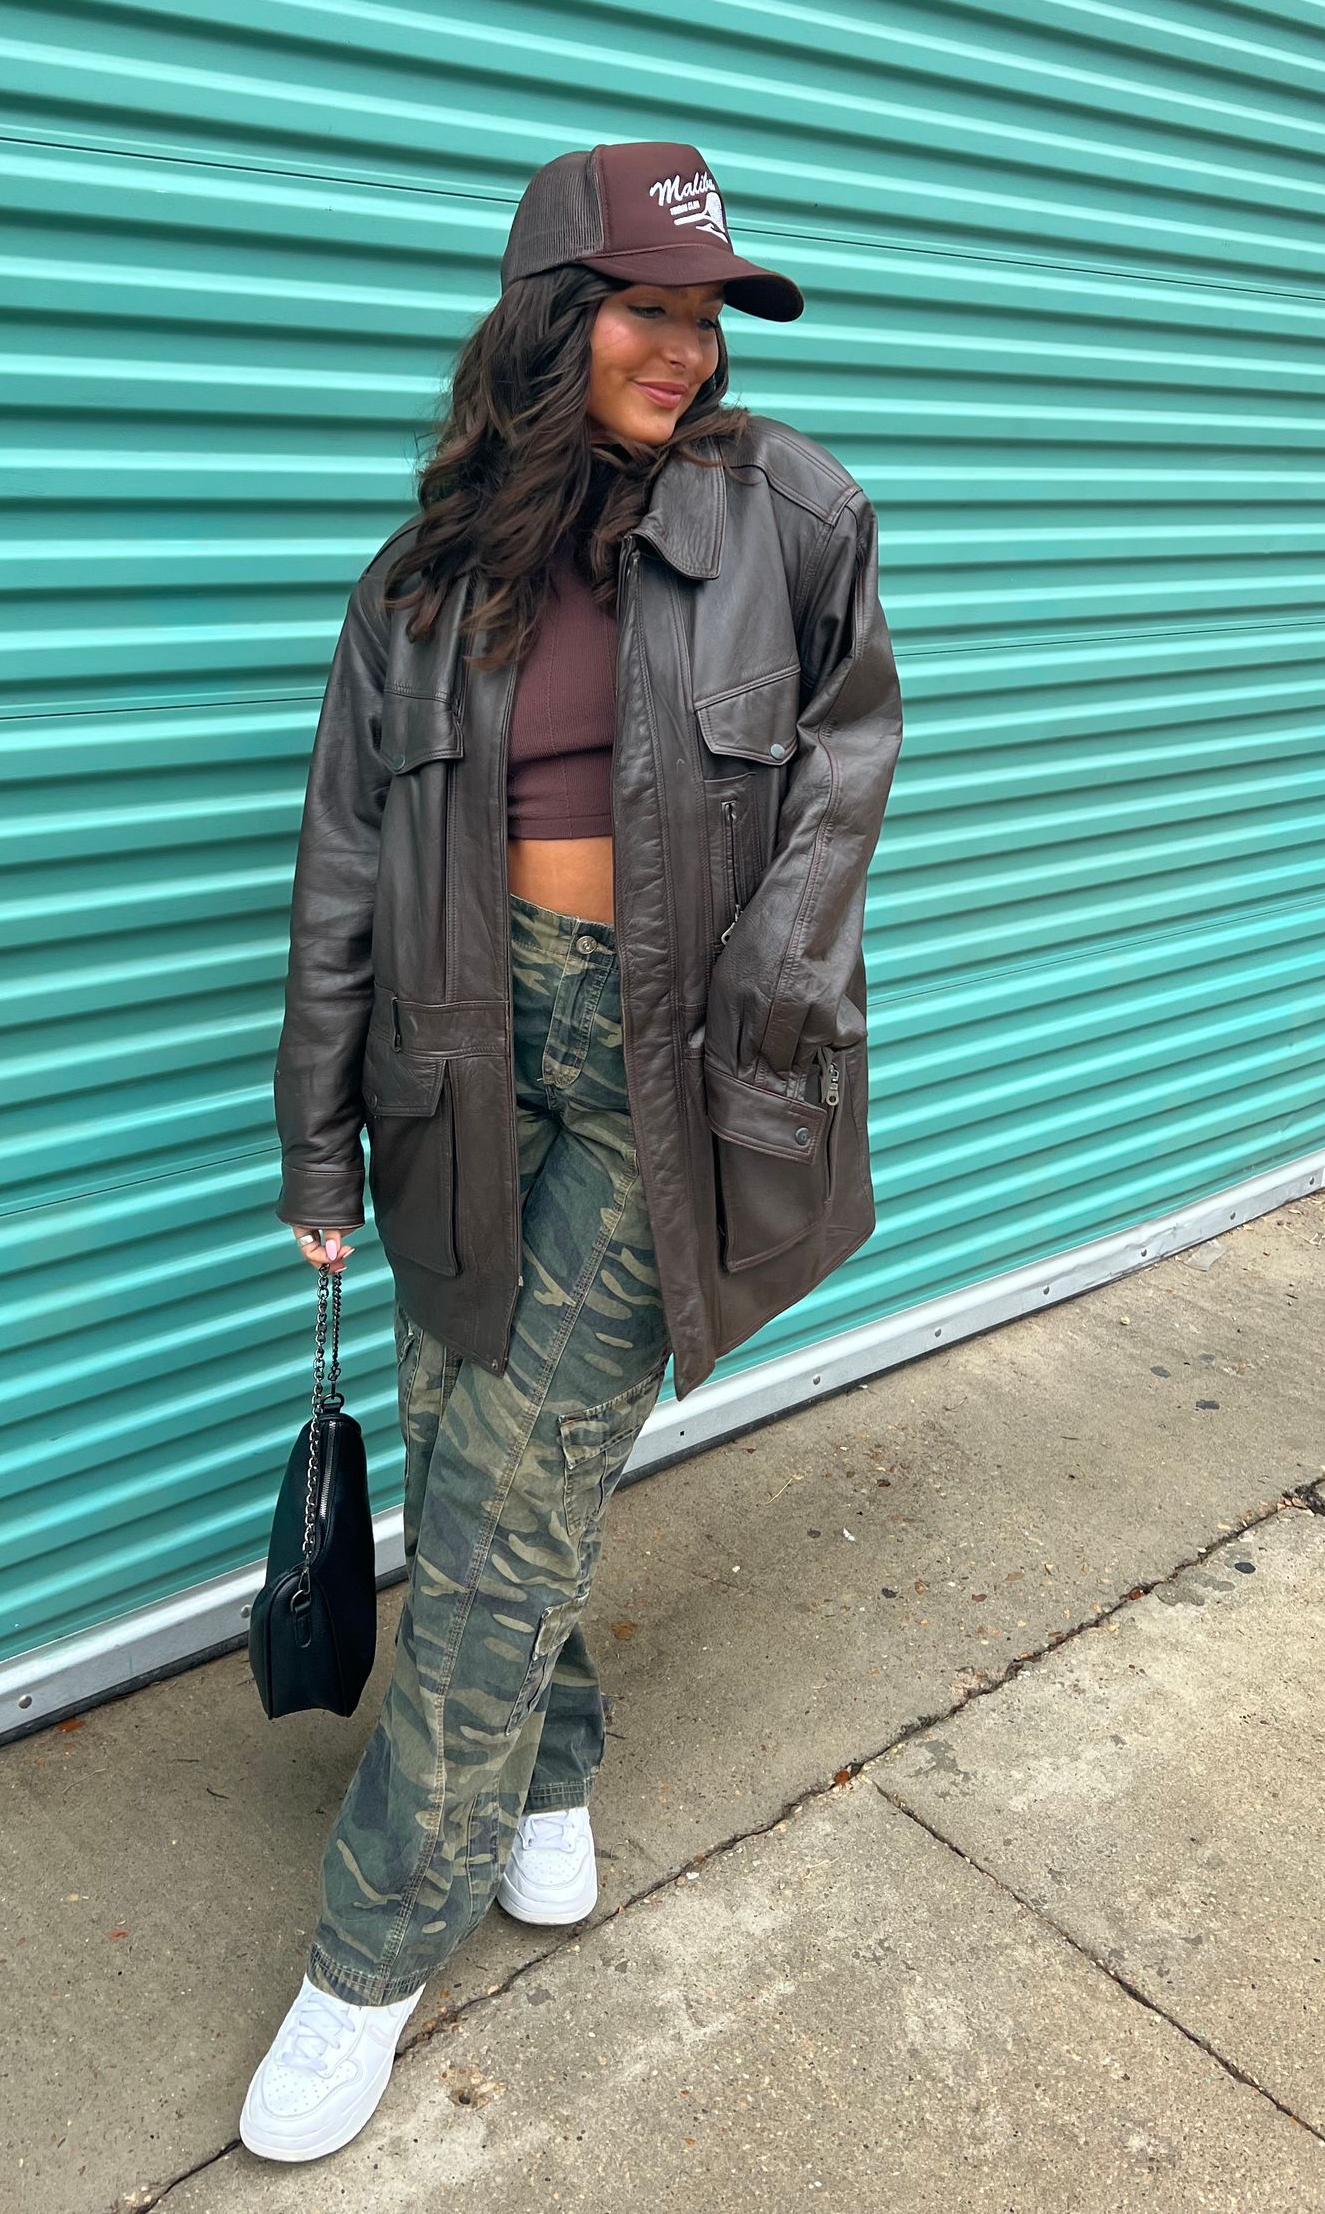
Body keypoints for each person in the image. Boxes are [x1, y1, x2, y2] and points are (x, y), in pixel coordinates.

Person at [242, 140, 903, 2161]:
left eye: (704, 314)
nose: (685, 350)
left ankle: (365, 1955)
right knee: (464, 1466)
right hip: (456, 1056)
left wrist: (778, 979)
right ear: (550, 319)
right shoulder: (424, 579)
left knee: (498, 1513)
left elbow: (848, 758)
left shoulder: (789, 510)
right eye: (647, 306)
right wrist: (321, 1149)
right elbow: (345, 863)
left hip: (661, 1072)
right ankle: (549, 1775)